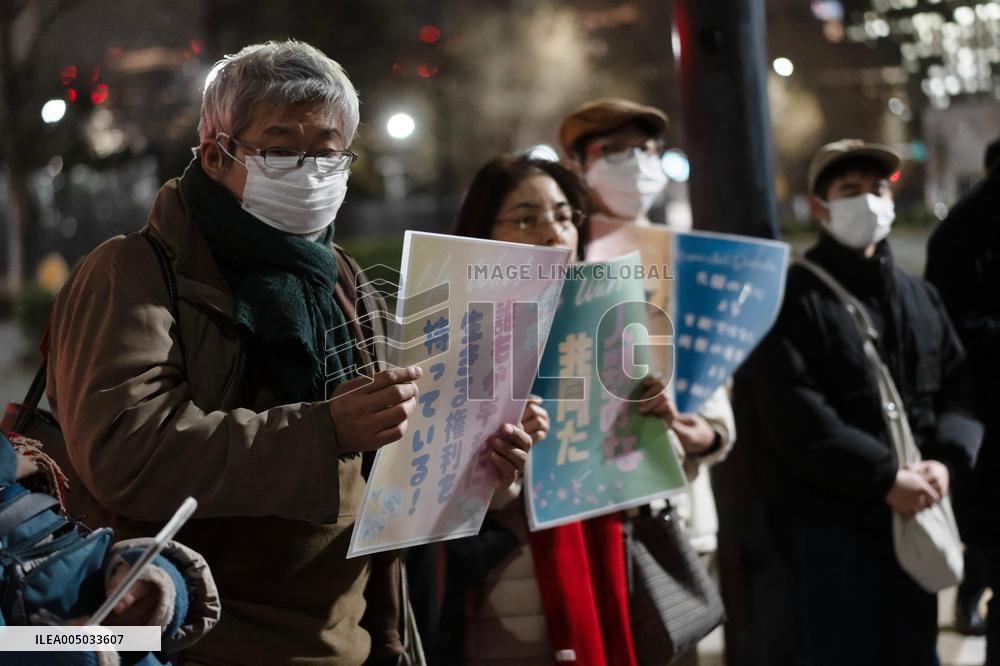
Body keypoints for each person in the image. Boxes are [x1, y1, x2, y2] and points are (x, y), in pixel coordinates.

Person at [43, 40, 532, 665]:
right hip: (198, 640)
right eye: (280, 150)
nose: (308, 170)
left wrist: (482, 465)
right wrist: (322, 430)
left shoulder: (345, 280)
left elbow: (392, 463)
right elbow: (125, 453)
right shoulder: (133, 273)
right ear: (216, 153)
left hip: (352, 638)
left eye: (326, 153)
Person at [412, 153, 689, 665]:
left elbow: (641, 476)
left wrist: (656, 424)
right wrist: (507, 461)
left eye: (564, 217)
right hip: (510, 582)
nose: (552, 233)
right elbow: (431, 490)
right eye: (527, 219)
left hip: (606, 557)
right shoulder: (455, 334)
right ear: (484, 233)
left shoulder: (606, 320)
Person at [751, 139, 982, 665]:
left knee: (915, 650)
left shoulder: (920, 296)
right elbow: (795, 414)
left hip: (917, 516)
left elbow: (959, 389)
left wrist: (946, 462)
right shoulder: (795, 299)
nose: (868, 201)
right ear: (819, 207)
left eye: (877, 188)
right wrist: (884, 479)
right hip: (833, 532)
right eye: (849, 190)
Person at [558, 99, 735, 563]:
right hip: (583, 511)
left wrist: (709, 434)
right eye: (614, 150)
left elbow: (709, 377)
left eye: (647, 149)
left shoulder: (679, 258)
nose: (636, 162)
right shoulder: (559, 258)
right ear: (575, 164)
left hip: (675, 510)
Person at [925, 136, 1000, 655]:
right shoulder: (971, 226)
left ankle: (973, 596)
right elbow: (950, 330)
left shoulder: (962, 224)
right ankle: (971, 596)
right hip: (984, 410)